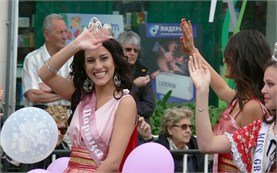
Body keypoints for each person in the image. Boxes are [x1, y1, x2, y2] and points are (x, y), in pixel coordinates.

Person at [38, 19, 137, 172]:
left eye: (104, 58)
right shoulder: (81, 97)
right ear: (84, 67)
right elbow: (45, 74)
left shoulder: (125, 102)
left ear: (115, 62)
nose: (98, 66)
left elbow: (113, 163)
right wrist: (76, 44)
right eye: (90, 60)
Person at [180, 18, 272, 172]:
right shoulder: (240, 100)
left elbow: (251, 162)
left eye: (229, 56)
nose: (224, 60)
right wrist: (193, 51)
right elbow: (221, 88)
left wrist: (202, 90)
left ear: (243, 61)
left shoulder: (252, 107)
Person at [188, 53, 277, 172]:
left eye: (270, 84)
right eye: (264, 83)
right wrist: (202, 90)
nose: (263, 90)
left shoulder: (252, 108)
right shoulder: (259, 130)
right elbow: (207, 144)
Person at [22, 13, 71, 110]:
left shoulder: (73, 58)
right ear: (47, 35)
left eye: (66, 31)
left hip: (68, 118)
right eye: (60, 32)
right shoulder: (32, 59)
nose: (65, 36)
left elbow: (79, 93)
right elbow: (33, 96)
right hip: (41, 118)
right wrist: (66, 91)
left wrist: (49, 88)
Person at [117, 31, 155, 124]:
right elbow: (114, 104)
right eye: (128, 49)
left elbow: (149, 107)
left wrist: (127, 109)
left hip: (140, 126)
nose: (132, 53)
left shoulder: (143, 72)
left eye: (136, 50)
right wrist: (135, 85)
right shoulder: (112, 71)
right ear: (119, 50)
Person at [156, 107, 205, 172]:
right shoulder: (158, 150)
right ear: (170, 129)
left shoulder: (196, 147)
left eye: (190, 127)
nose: (188, 130)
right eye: (183, 127)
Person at [23, 105, 70, 171]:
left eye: (63, 130)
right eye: (54, 129)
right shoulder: (32, 145)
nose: (59, 133)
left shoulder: (65, 148)